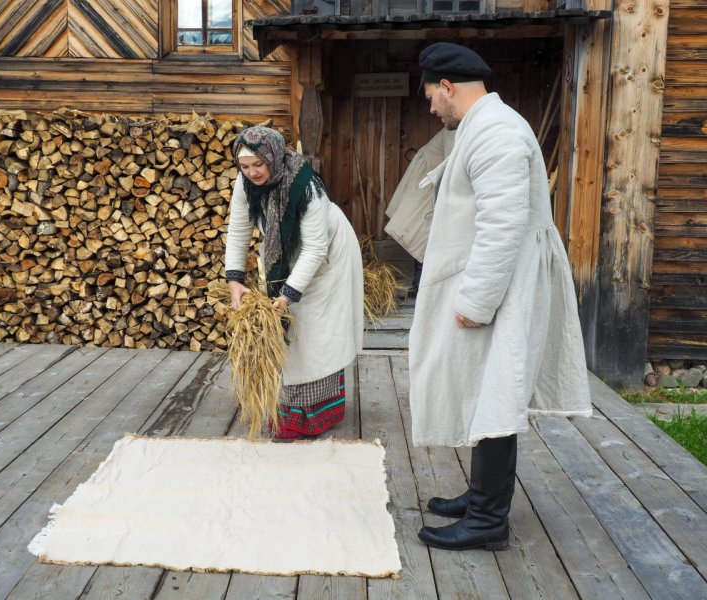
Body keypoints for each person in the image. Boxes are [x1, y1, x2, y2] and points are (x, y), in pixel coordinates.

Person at [409, 42, 592, 551]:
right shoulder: (485, 125)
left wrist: (476, 301)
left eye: (431, 97)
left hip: (504, 286)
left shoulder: (497, 132)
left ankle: (488, 520)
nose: (431, 108)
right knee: (488, 387)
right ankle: (481, 498)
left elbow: (502, 226)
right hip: (498, 282)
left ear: (448, 87)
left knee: (495, 391)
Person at [224, 126, 364, 441]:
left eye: (258, 164)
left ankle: (314, 416)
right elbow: (238, 230)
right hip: (286, 252)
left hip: (328, 255)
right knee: (289, 328)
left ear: (273, 157)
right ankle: (288, 411)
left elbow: (315, 249)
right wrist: (234, 280)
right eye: (244, 166)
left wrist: (286, 297)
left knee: (314, 329)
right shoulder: (245, 184)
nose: (252, 172)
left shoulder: (307, 188)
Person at [385, 127, 456, 294]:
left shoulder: (459, 128)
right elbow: (453, 165)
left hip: (433, 182)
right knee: (423, 233)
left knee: (425, 233)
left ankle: (422, 285)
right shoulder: (453, 131)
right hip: (428, 183)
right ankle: (421, 286)